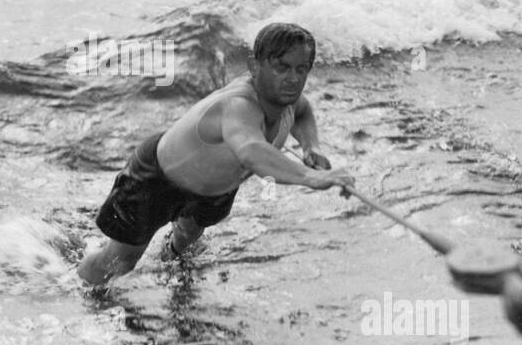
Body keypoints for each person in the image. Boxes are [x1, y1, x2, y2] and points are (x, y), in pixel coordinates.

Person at [77, 22, 353, 284]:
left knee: (187, 239)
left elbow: (302, 112)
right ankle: (79, 288)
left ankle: (174, 267)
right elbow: (252, 153)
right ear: (254, 66)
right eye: (281, 67)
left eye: (301, 69)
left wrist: (310, 146)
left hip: (215, 189)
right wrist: (312, 177)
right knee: (119, 263)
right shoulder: (239, 105)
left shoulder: (287, 99)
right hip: (156, 179)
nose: (293, 79)